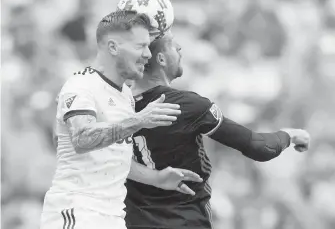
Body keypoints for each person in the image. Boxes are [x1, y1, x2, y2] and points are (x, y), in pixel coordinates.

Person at [124, 32, 311, 229]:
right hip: (184, 220)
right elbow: (259, 147)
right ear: (160, 59)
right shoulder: (187, 106)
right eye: (173, 46)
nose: (180, 50)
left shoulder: (116, 107)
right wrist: (290, 135)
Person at [40, 11, 202, 229]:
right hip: (77, 211)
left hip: (112, 216)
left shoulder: (124, 94)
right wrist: (138, 121)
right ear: (113, 47)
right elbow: (82, 139)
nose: (148, 54)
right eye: (140, 46)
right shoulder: (81, 86)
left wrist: (157, 179)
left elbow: (112, 158)